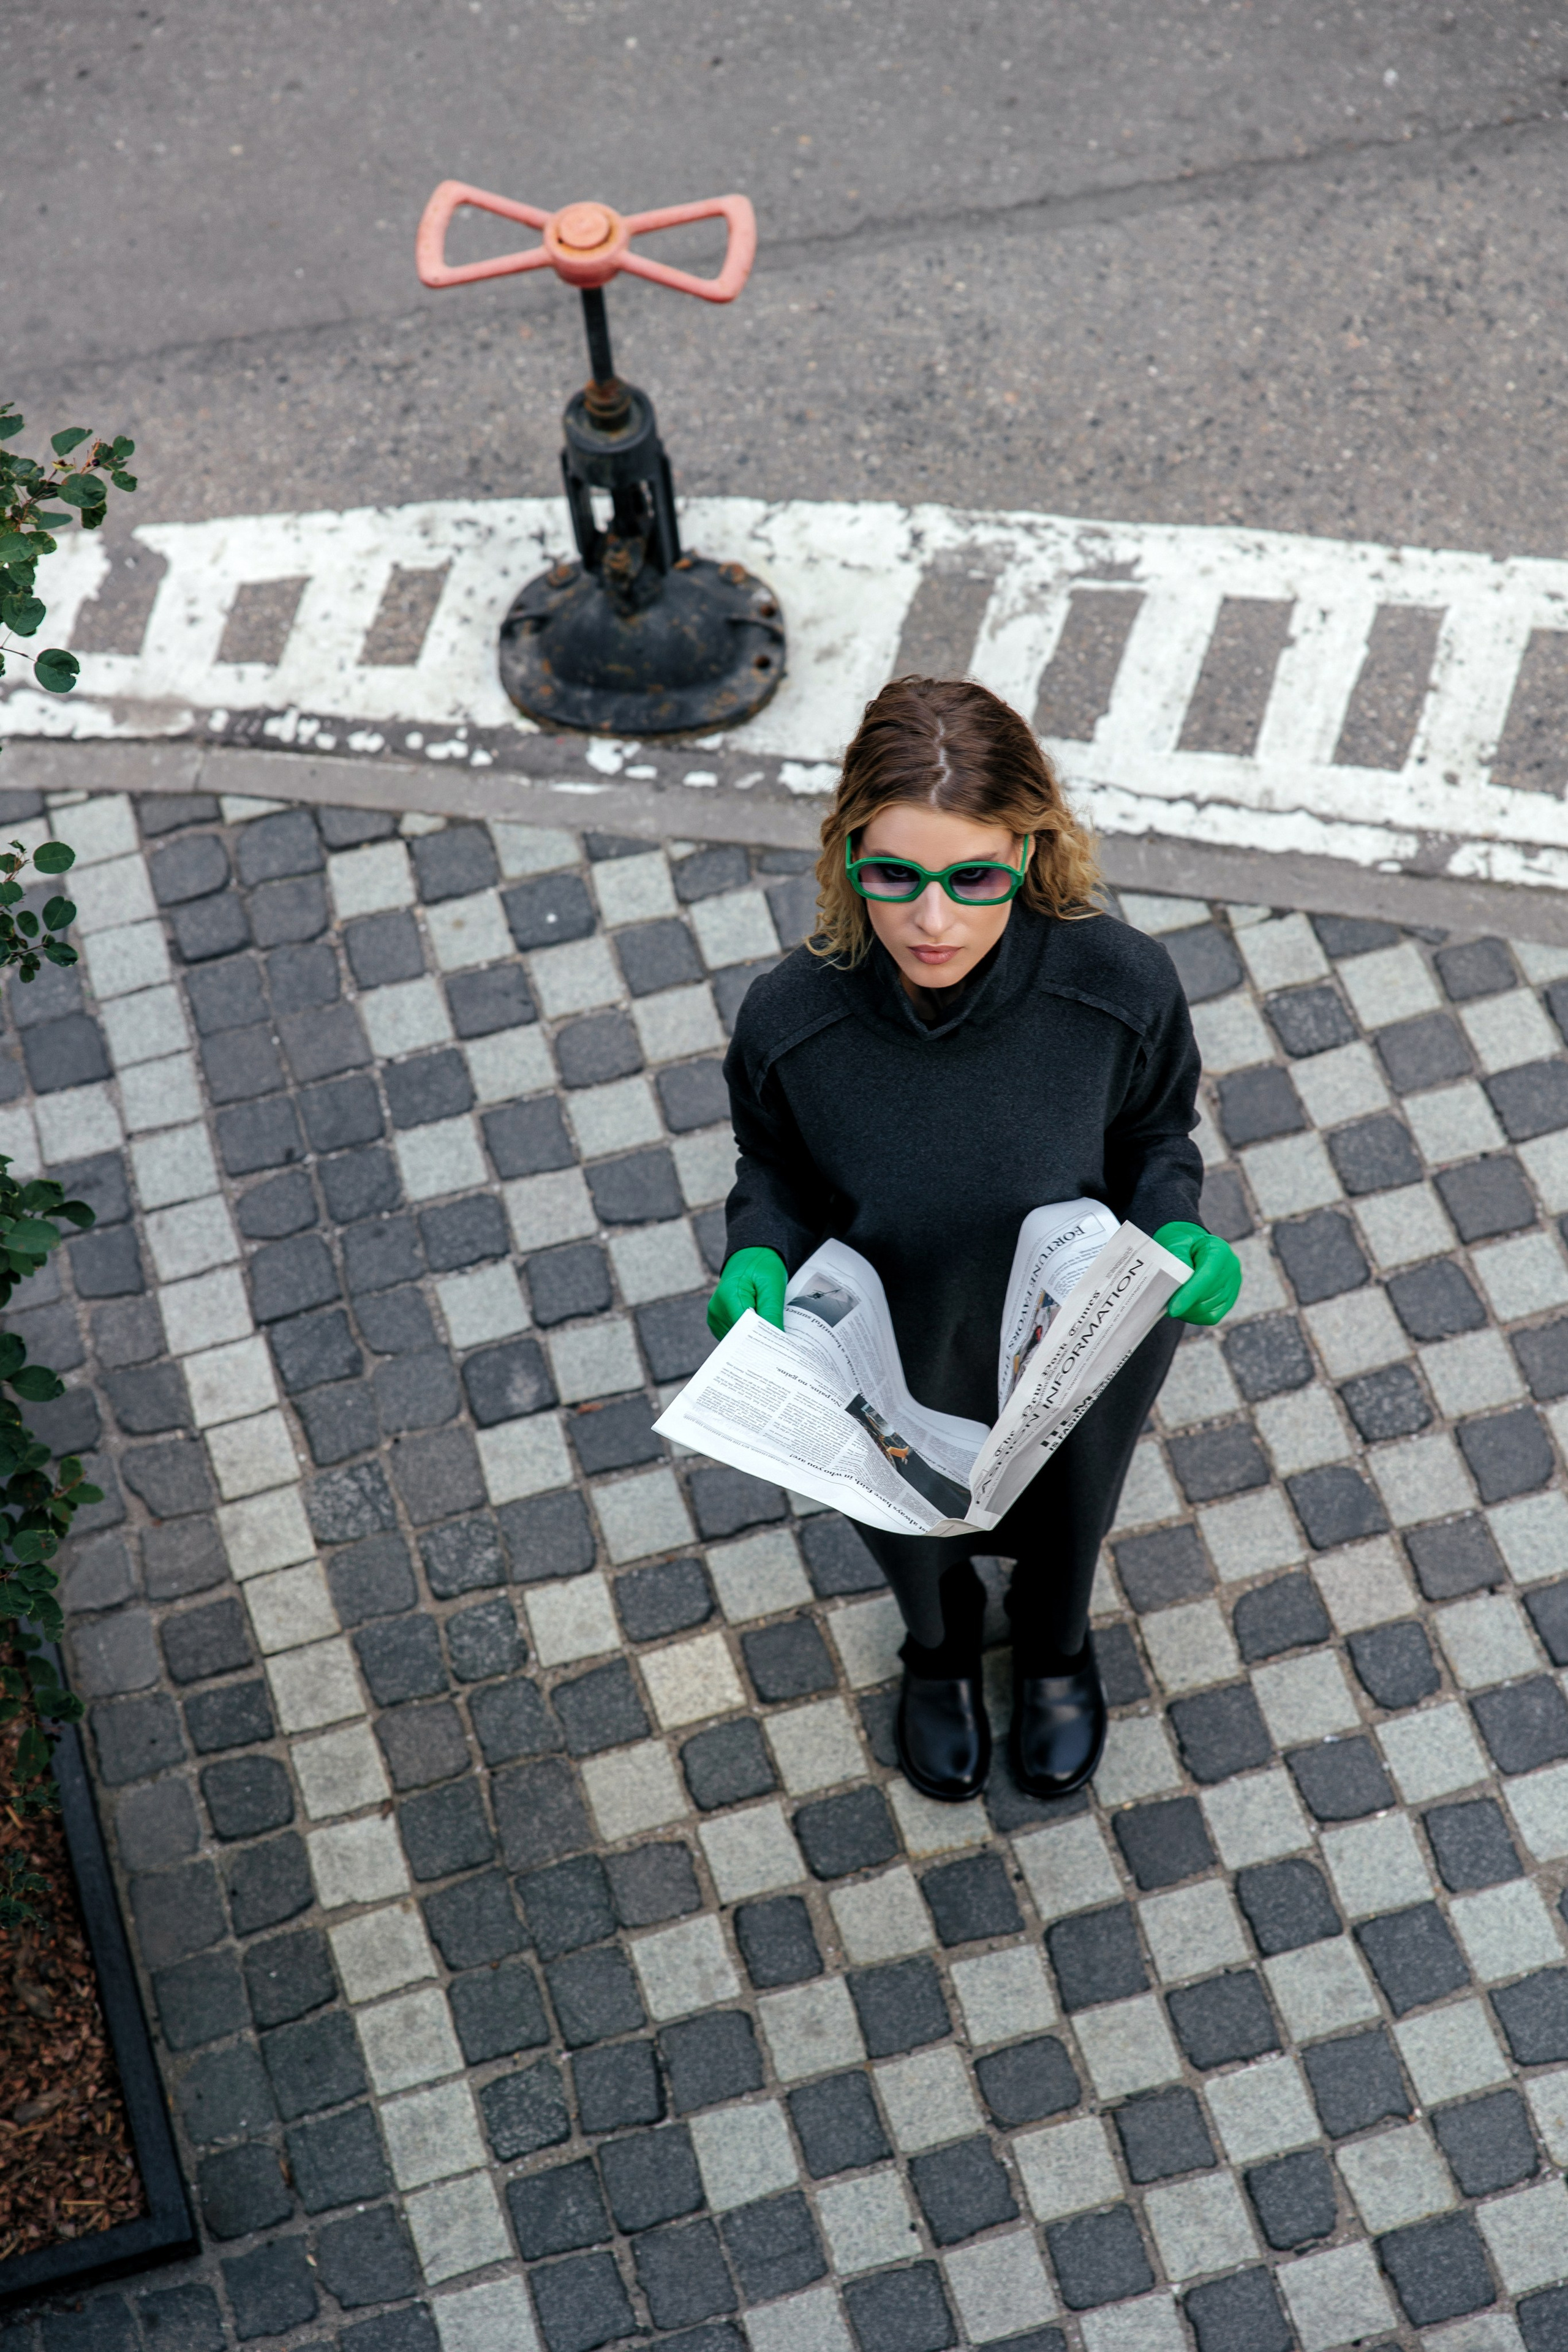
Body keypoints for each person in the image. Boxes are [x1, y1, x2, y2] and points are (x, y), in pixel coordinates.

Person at [706, 677, 1242, 1804]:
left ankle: (1056, 1649)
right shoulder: (792, 1018)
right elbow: (777, 1169)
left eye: (975, 878)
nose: (931, 920)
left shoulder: (1118, 983)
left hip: (1076, 1332)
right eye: (894, 874)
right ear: (848, 852)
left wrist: (1179, 1227)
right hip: (891, 1339)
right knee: (904, 1524)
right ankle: (937, 1649)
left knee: (1069, 1511)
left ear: (1030, 853)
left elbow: (1154, 1130)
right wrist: (758, 1245)